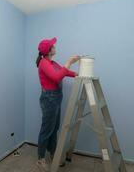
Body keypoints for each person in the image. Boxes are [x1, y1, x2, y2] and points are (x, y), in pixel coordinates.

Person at [35, 37, 80, 171]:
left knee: (54, 128)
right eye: (53, 46)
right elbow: (56, 77)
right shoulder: (44, 63)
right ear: (49, 50)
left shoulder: (52, 63)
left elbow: (63, 72)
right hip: (49, 98)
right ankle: (40, 158)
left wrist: (77, 73)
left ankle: (53, 152)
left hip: (56, 97)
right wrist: (69, 62)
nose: (55, 47)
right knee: (46, 129)